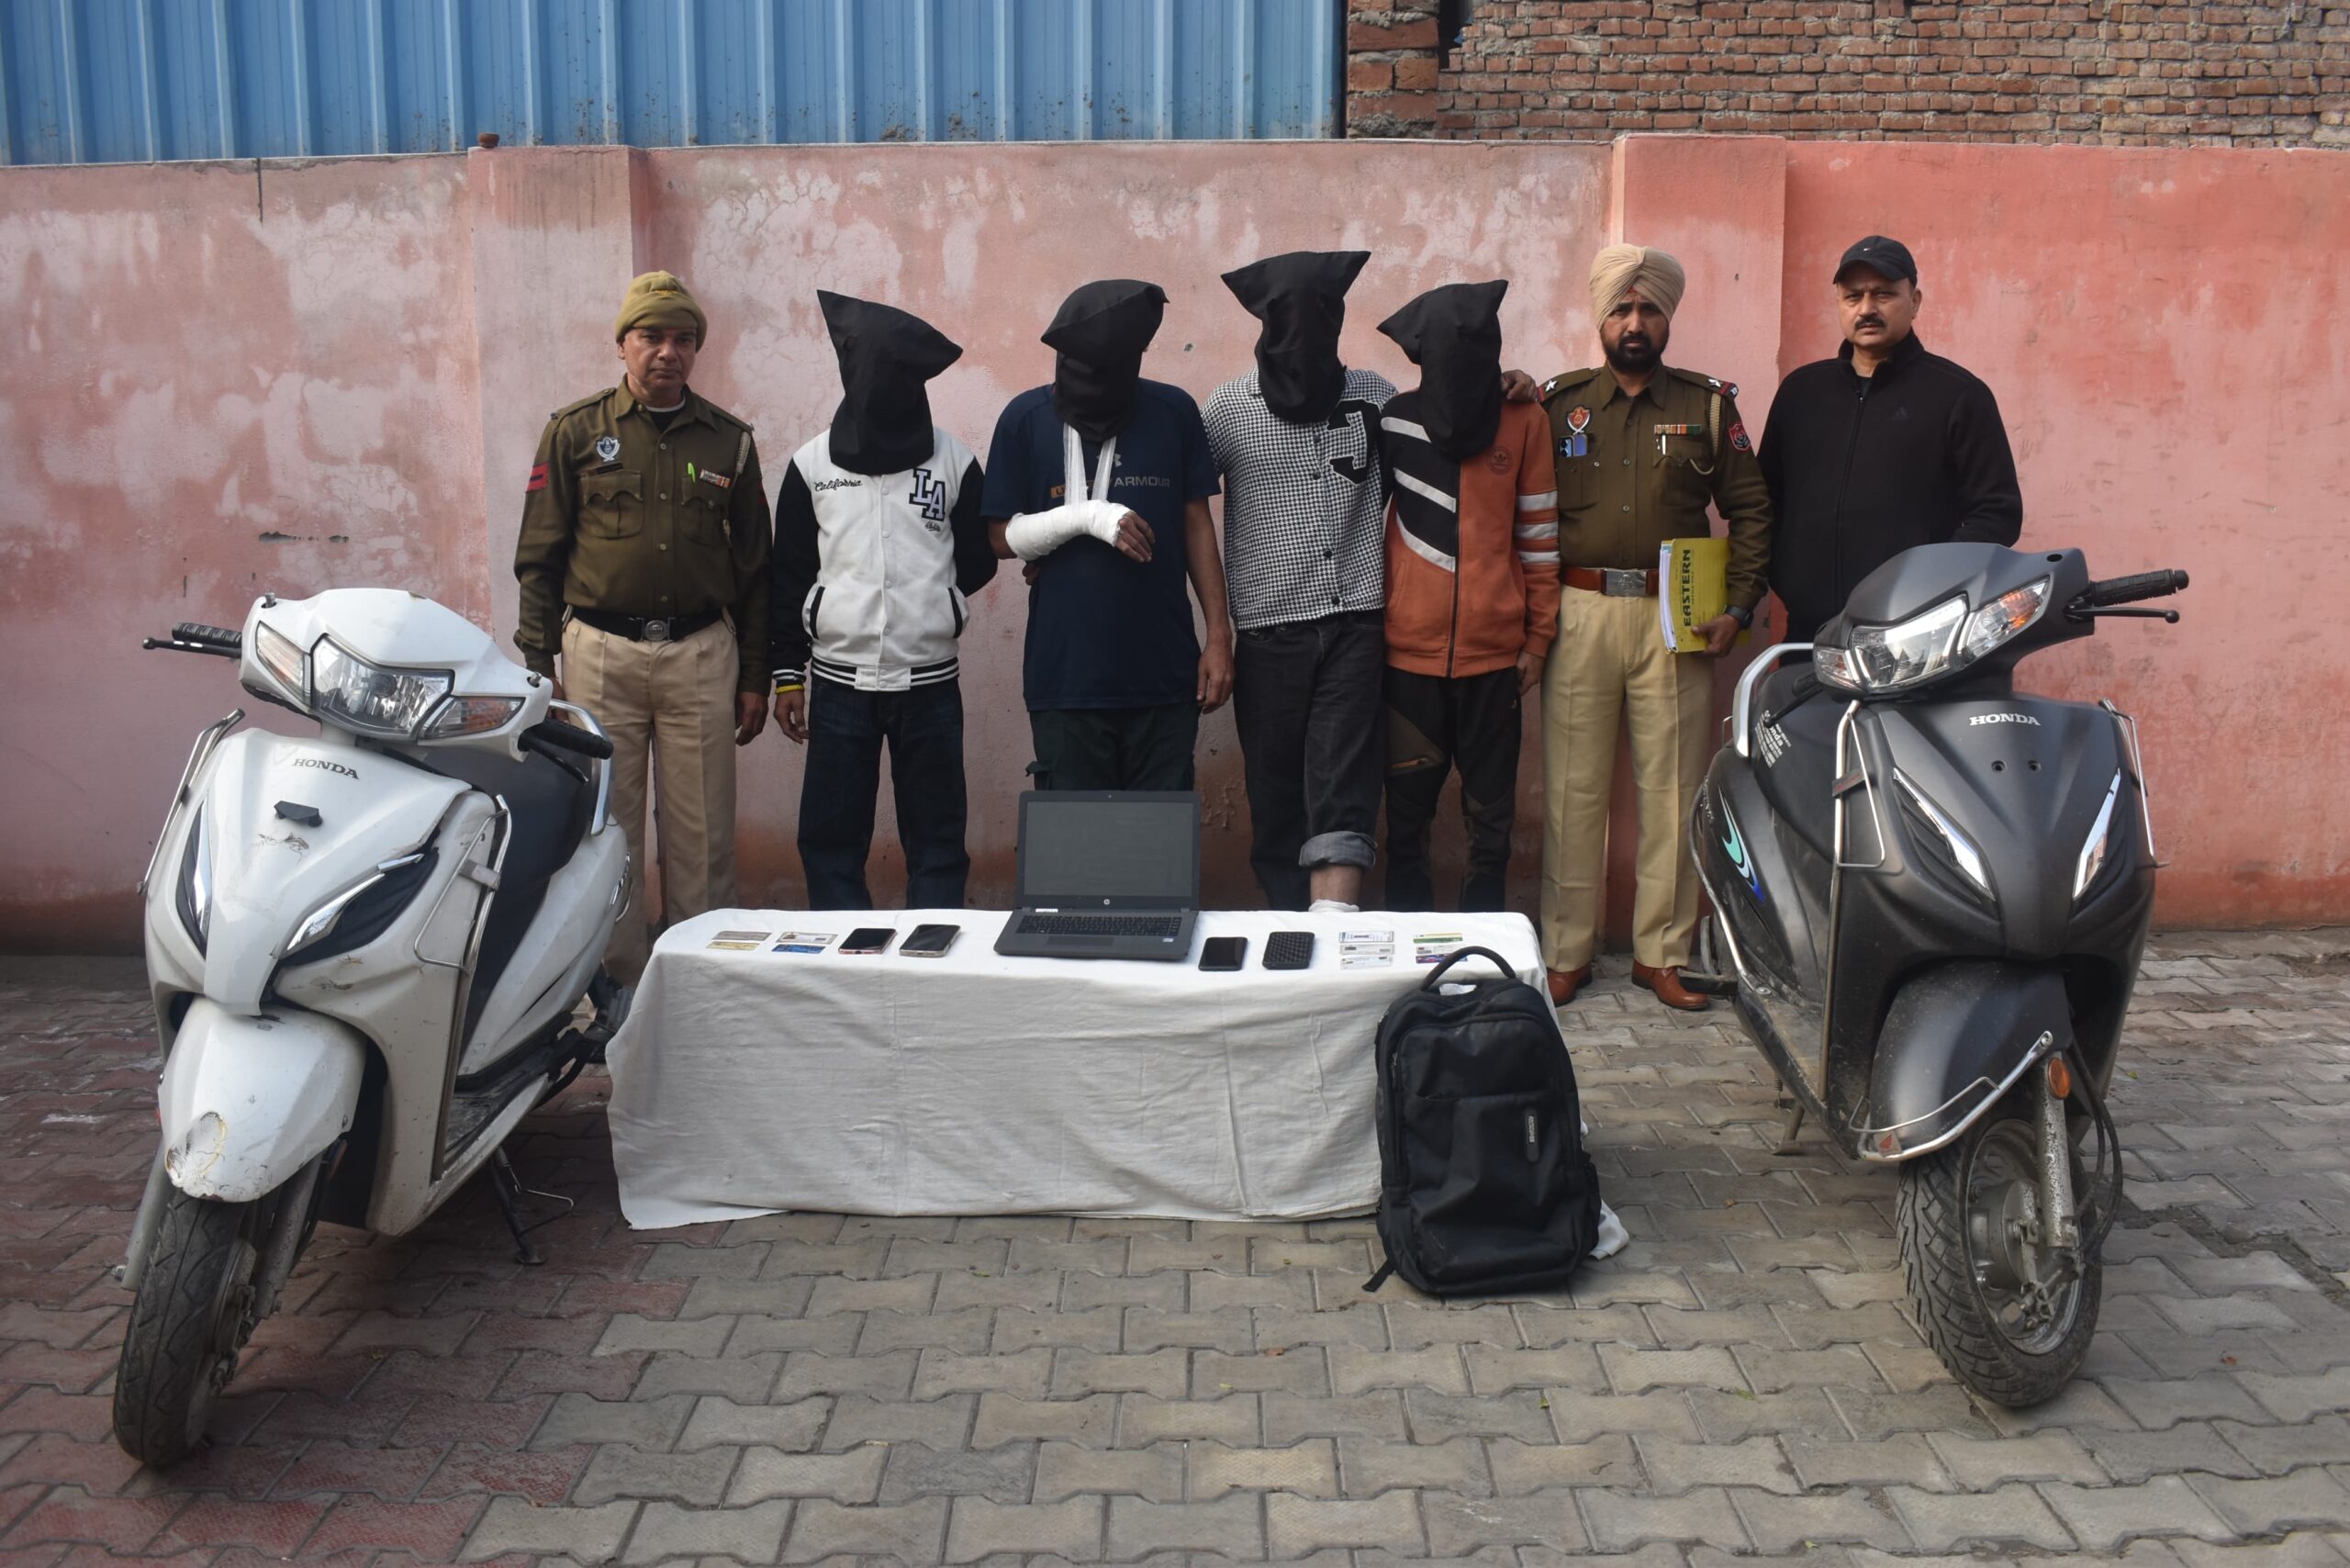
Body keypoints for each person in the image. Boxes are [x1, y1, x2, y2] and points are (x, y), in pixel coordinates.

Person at [1527, 244, 1773, 1011]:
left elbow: (1752, 510)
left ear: (1668, 318)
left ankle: (1661, 954)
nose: (1635, 323)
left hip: (1679, 619)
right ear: (1600, 318)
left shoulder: (1708, 407)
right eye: (1621, 310)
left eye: (1649, 310)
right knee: (1573, 791)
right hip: (1580, 611)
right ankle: (1565, 951)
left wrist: (1738, 606)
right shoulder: (1554, 405)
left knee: (1673, 790)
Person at [513, 271, 771, 981]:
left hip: (700, 656)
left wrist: (755, 673)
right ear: (622, 344)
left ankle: (700, 981)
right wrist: (538, 667)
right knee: (605, 830)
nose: (668, 352)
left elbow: (756, 570)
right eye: (652, 337)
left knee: (703, 834)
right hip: (600, 655)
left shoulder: (730, 443)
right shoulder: (574, 432)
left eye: (683, 339)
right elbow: (539, 558)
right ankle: (616, 985)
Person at [769, 291, 996, 910]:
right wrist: (788, 676)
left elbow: (977, 558)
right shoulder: (813, 465)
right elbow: (790, 574)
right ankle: (847, 956)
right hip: (839, 685)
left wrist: (934, 600)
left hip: (931, 685)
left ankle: (932, 947)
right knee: (830, 840)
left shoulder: (953, 462)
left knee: (938, 839)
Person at [981, 279, 1234, 791]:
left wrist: (1218, 637)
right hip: (1064, 680)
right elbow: (999, 540)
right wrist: (1085, 517)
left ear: (1136, 358)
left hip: (1163, 676)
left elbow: (1197, 527)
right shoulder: (1024, 420)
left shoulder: (1174, 412)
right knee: (1075, 837)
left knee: (1159, 836)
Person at [1204, 251, 1394, 913]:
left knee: (1344, 787)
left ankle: (1334, 933)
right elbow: (1184, 502)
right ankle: (1289, 935)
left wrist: (1509, 386)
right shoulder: (1228, 409)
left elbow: (1445, 433)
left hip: (1355, 624)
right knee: (1276, 793)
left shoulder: (1375, 397)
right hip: (1267, 633)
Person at [1376, 280, 1561, 913]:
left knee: (1491, 829)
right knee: (1406, 826)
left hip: (1496, 664)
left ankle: (1483, 950)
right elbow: (1361, 529)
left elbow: (1540, 538)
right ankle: (1407, 952)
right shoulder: (1394, 420)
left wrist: (1538, 641)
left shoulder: (1526, 420)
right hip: (1406, 663)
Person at [1759, 234, 2023, 644]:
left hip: (1916, 635)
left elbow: (1997, 514)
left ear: (1914, 302)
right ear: (1839, 304)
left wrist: (1930, 587)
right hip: (1810, 631)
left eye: (1883, 294)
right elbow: (1765, 499)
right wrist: (1789, 579)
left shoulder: (1958, 396)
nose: (1866, 309)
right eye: (1853, 296)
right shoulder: (1801, 393)